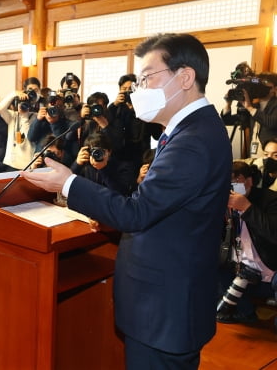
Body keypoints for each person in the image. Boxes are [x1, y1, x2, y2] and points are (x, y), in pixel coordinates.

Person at [20, 33, 232, 369]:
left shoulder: (193, 139)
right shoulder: (193, 129)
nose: (140, 89)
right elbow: (163, 206)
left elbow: (138, 212)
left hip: (166, 308)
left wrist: (68, 183)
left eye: (147, 77)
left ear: (185, 77)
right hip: (169, 299)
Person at [216, 161, 277, 326]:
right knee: (211, 267)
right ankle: (245, 314)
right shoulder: (224, 203)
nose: (231, 188)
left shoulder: (270, 200)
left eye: (235, 182)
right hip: (241, 271)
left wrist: (247, 208)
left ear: (249, 181)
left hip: (270, 272)